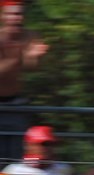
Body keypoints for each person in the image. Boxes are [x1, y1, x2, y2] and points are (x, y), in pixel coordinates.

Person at [0, 1, 48, 161]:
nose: (16, 18)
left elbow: (30, 68)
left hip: (15, 102)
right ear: (3, 16)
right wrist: (15, 58)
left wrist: (33, 57)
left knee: (16, 154)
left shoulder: (30, 36)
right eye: (12, 14)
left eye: (19, 14)